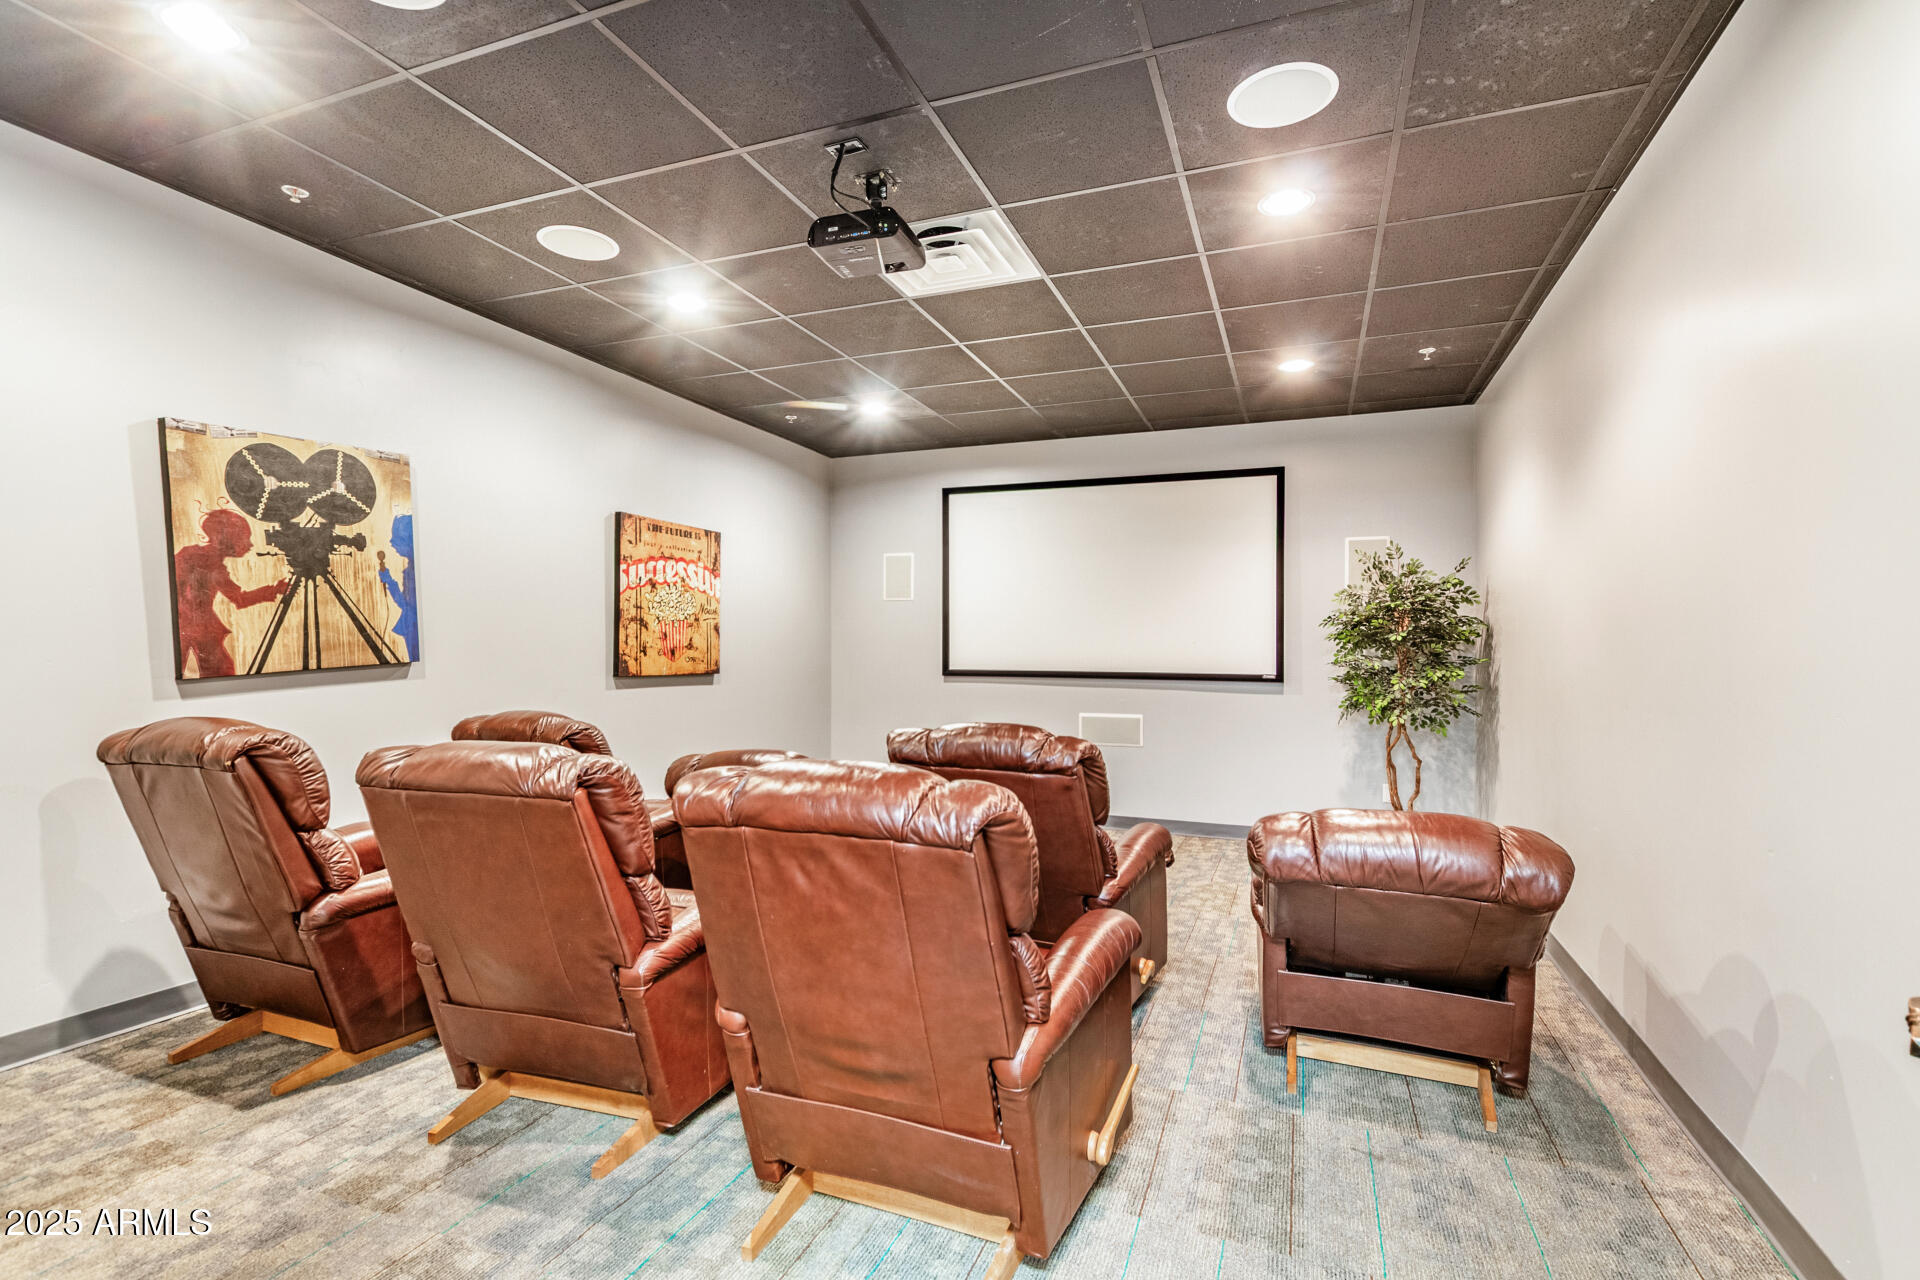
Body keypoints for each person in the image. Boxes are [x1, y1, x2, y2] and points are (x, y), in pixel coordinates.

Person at [173, 508, 286, 678]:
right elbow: (240, 599)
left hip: (188, 626)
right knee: (220, 671)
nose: (250, 545)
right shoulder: (212, 566)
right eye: (244, 538)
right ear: (228, 539)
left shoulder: (190, 555)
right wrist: (274, 590)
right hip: (200, 630)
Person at [377, 513, 419, 661]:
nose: (392, 544)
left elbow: (406, 604)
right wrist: (388, 580)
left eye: (398, 540)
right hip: (410, 625)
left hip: (413, 626)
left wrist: (389, 580)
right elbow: (405, 603)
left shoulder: (414, 570)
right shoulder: (410, 569)